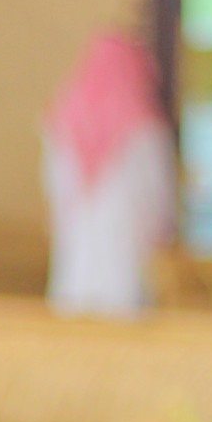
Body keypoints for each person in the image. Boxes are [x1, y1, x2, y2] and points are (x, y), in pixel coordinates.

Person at [43, 31, 174, 315]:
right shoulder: (142, 125)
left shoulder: (65, 119)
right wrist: (162, 230)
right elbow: (156, 191)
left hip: (80, 235)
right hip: (126, 235)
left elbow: (56, 186)